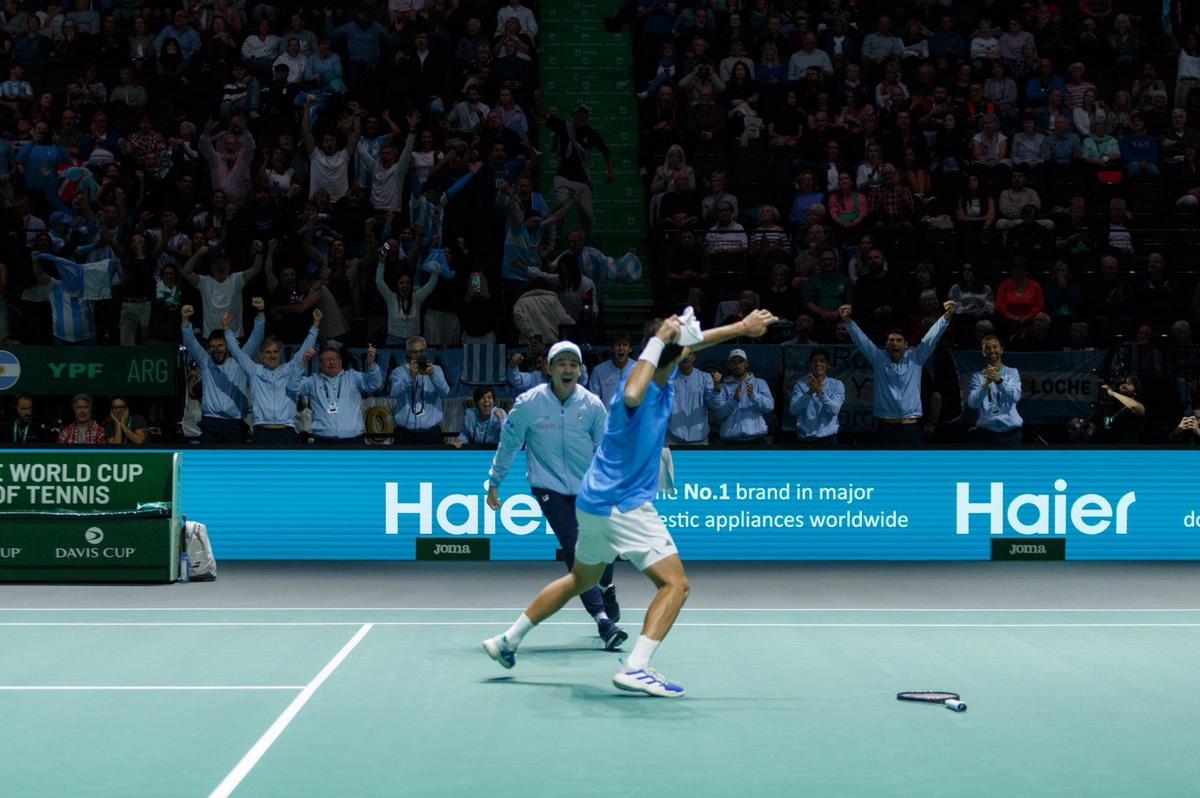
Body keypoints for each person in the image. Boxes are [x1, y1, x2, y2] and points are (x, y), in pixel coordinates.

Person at [482, 310, 778, 697]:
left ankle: (508, 640)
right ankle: (636, 666)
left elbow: (687, 347)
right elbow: (638, 390)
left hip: (593, 500)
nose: (689, 347)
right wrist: (659, 341)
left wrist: (739, 329)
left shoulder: (659, 372)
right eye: (681, 343)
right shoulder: (637, 381)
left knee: (581, 578)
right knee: (675, 585)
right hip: (624, 503)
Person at [485, 340, 624, 648]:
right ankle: (603, 621)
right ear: (548, 368)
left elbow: (605, 450)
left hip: (590, 488)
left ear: (580, 370)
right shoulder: (529, 404)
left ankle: (607, 584)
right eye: (561, 363)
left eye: (573, 364)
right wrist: (495, 482)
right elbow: (509, 445)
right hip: (548, 488)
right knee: (576, 550)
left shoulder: (592, 405)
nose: (567, 369)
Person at [840, 299, 956, 445]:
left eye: (899, 340)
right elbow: (862, 340)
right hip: (884, 426)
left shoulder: (916, 358)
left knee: (912, 467)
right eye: (891, 340)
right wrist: (847, 321)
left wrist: (946, 317)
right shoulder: (878, 359)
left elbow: (932, 337)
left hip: (911, 427)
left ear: (906, 345)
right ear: (886, 344)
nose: (894, 343)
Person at [224, 308, 320, 444]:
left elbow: (304, 350)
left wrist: (315, 325)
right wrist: (227, 330)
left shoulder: (289, 369)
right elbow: (237, 354)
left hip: (287, 431)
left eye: (275, 352)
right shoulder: (254, 371)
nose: (272, 355)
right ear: (261, 355)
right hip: (262, 432)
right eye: (268, 352)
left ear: (280, 353)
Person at [181, 299, 266, 443]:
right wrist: (185, 319)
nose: (216, 349)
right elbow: (190, 342)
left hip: (234, 424)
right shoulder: (205, 362)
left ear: (228, 346)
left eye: (220, 345)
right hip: (210, 423)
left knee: (234, 465)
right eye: (212, 346)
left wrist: (260, 313)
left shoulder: (240, 362)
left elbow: (256, 339)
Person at [293, 344, 383, 443]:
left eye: (335, 359)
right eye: (327, 359)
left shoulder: (352, 377)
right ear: (320, 364)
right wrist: (302, 363)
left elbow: (374, 384)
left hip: (353, 440)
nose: (331, 362)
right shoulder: (313, 381)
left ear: (340, 362)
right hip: (323, 440)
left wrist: (371, 364)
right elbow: (292, 386)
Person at [388, 335, 449, 444]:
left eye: (422, 351)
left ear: (426, 351)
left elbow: (445, 392)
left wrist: (432, 375)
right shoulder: (399, 372)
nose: (419, 355)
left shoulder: (436, 370)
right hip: (405, 434)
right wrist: (410, 377)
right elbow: (393, 392)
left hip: (431, 434)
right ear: (408, 353)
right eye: (415, 352)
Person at [966, 335, 1022, 446]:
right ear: (983, 352)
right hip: (986, 434)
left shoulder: (1012, 372)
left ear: (1001, 350)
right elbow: (972, 404)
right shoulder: (977, 376)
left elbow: (1016, 396)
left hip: (1011, 433)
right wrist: (985, 384)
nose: (992, 350)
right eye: (987, 348)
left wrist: (998, 380)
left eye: (995, 346)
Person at [710, 348, 774, 444]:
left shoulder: (759, 383)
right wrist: (734, 400)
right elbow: (719, 414)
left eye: (740, 362)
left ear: (746, 364)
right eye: (734, 362)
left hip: (756, 440)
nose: (737, 365)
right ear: (729, 365)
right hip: (731, 442)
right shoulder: (723, 386)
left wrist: (754, 396)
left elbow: (769, 407)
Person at [789, 348, 844, 445]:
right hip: (805, 438)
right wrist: (809, 393)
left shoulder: (837, 384)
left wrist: (820, 393)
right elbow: (793, 410)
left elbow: (834, 410)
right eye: (815, 361)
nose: (818, 364)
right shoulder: (800, 385)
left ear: (827, 365)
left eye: (822, 361)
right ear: (810, 364)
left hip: (829, 438)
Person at [667, 350, 718, 445]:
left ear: (694, 356)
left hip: (700, 440)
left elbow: (713, 405)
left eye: (689, 354)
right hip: (672, 439)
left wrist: (717, 389)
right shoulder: (667, 378)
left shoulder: (705, 377)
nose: (685, 357)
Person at [588, 333, 633, 406]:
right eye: (618, 345)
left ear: (630, 349)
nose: (621, 348)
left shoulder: (639, 369)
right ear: (612, 348)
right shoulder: (598, 371)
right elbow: (593, 402)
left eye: (625, 345)